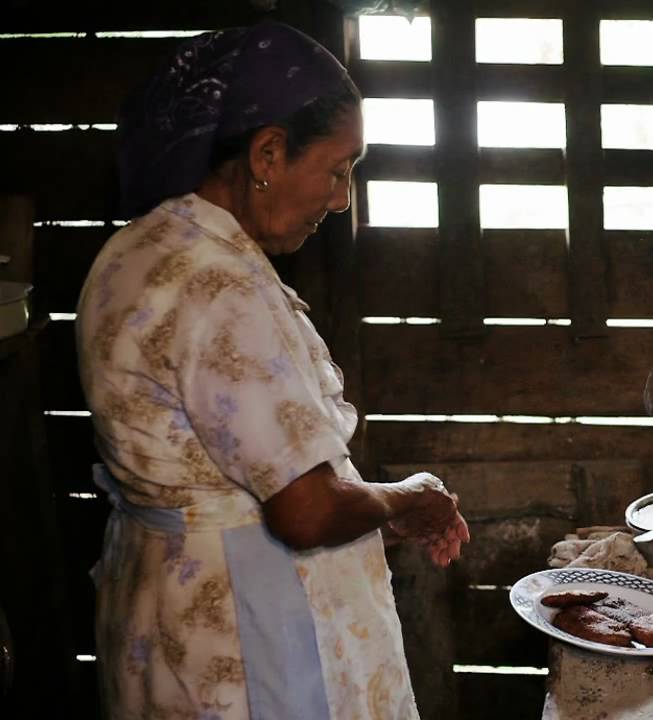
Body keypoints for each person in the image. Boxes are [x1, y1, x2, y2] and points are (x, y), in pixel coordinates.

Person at [75, 21, 467, 719]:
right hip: (245, 640)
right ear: (267, 153)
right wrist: (406, 499)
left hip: (158, 614)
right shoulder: (222, 287)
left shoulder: (132, 252)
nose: (341, 199)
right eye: (338, 168)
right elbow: (305, 509)